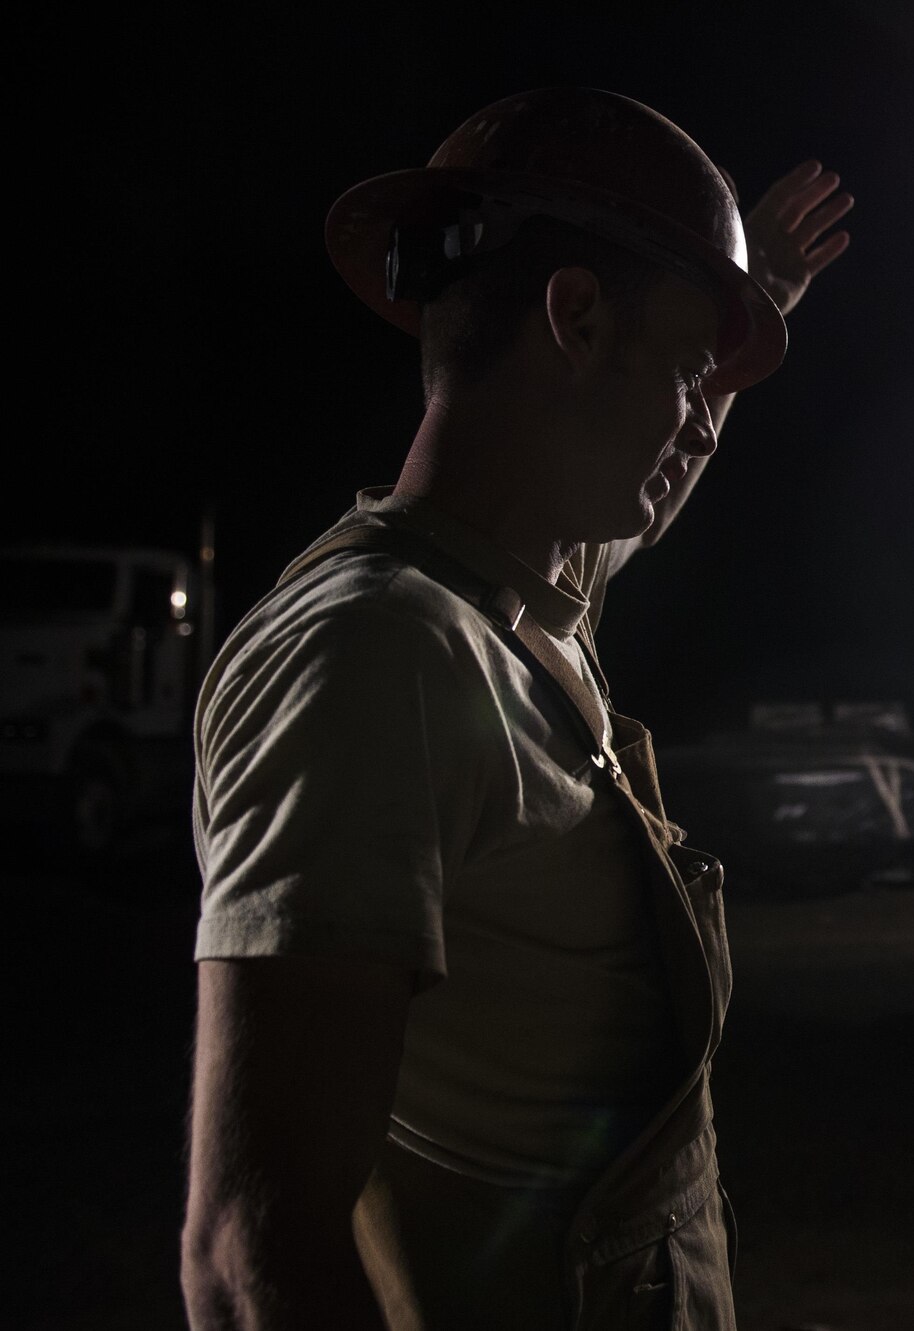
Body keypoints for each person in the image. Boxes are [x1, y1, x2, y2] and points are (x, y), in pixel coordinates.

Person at [179, 88, 851, 1330]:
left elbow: (658, 477)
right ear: (577, 318)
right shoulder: (376, 656)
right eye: (690, 375)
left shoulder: (510, 598)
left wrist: (739, 306)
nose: (700, 423)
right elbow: (249, 1253)